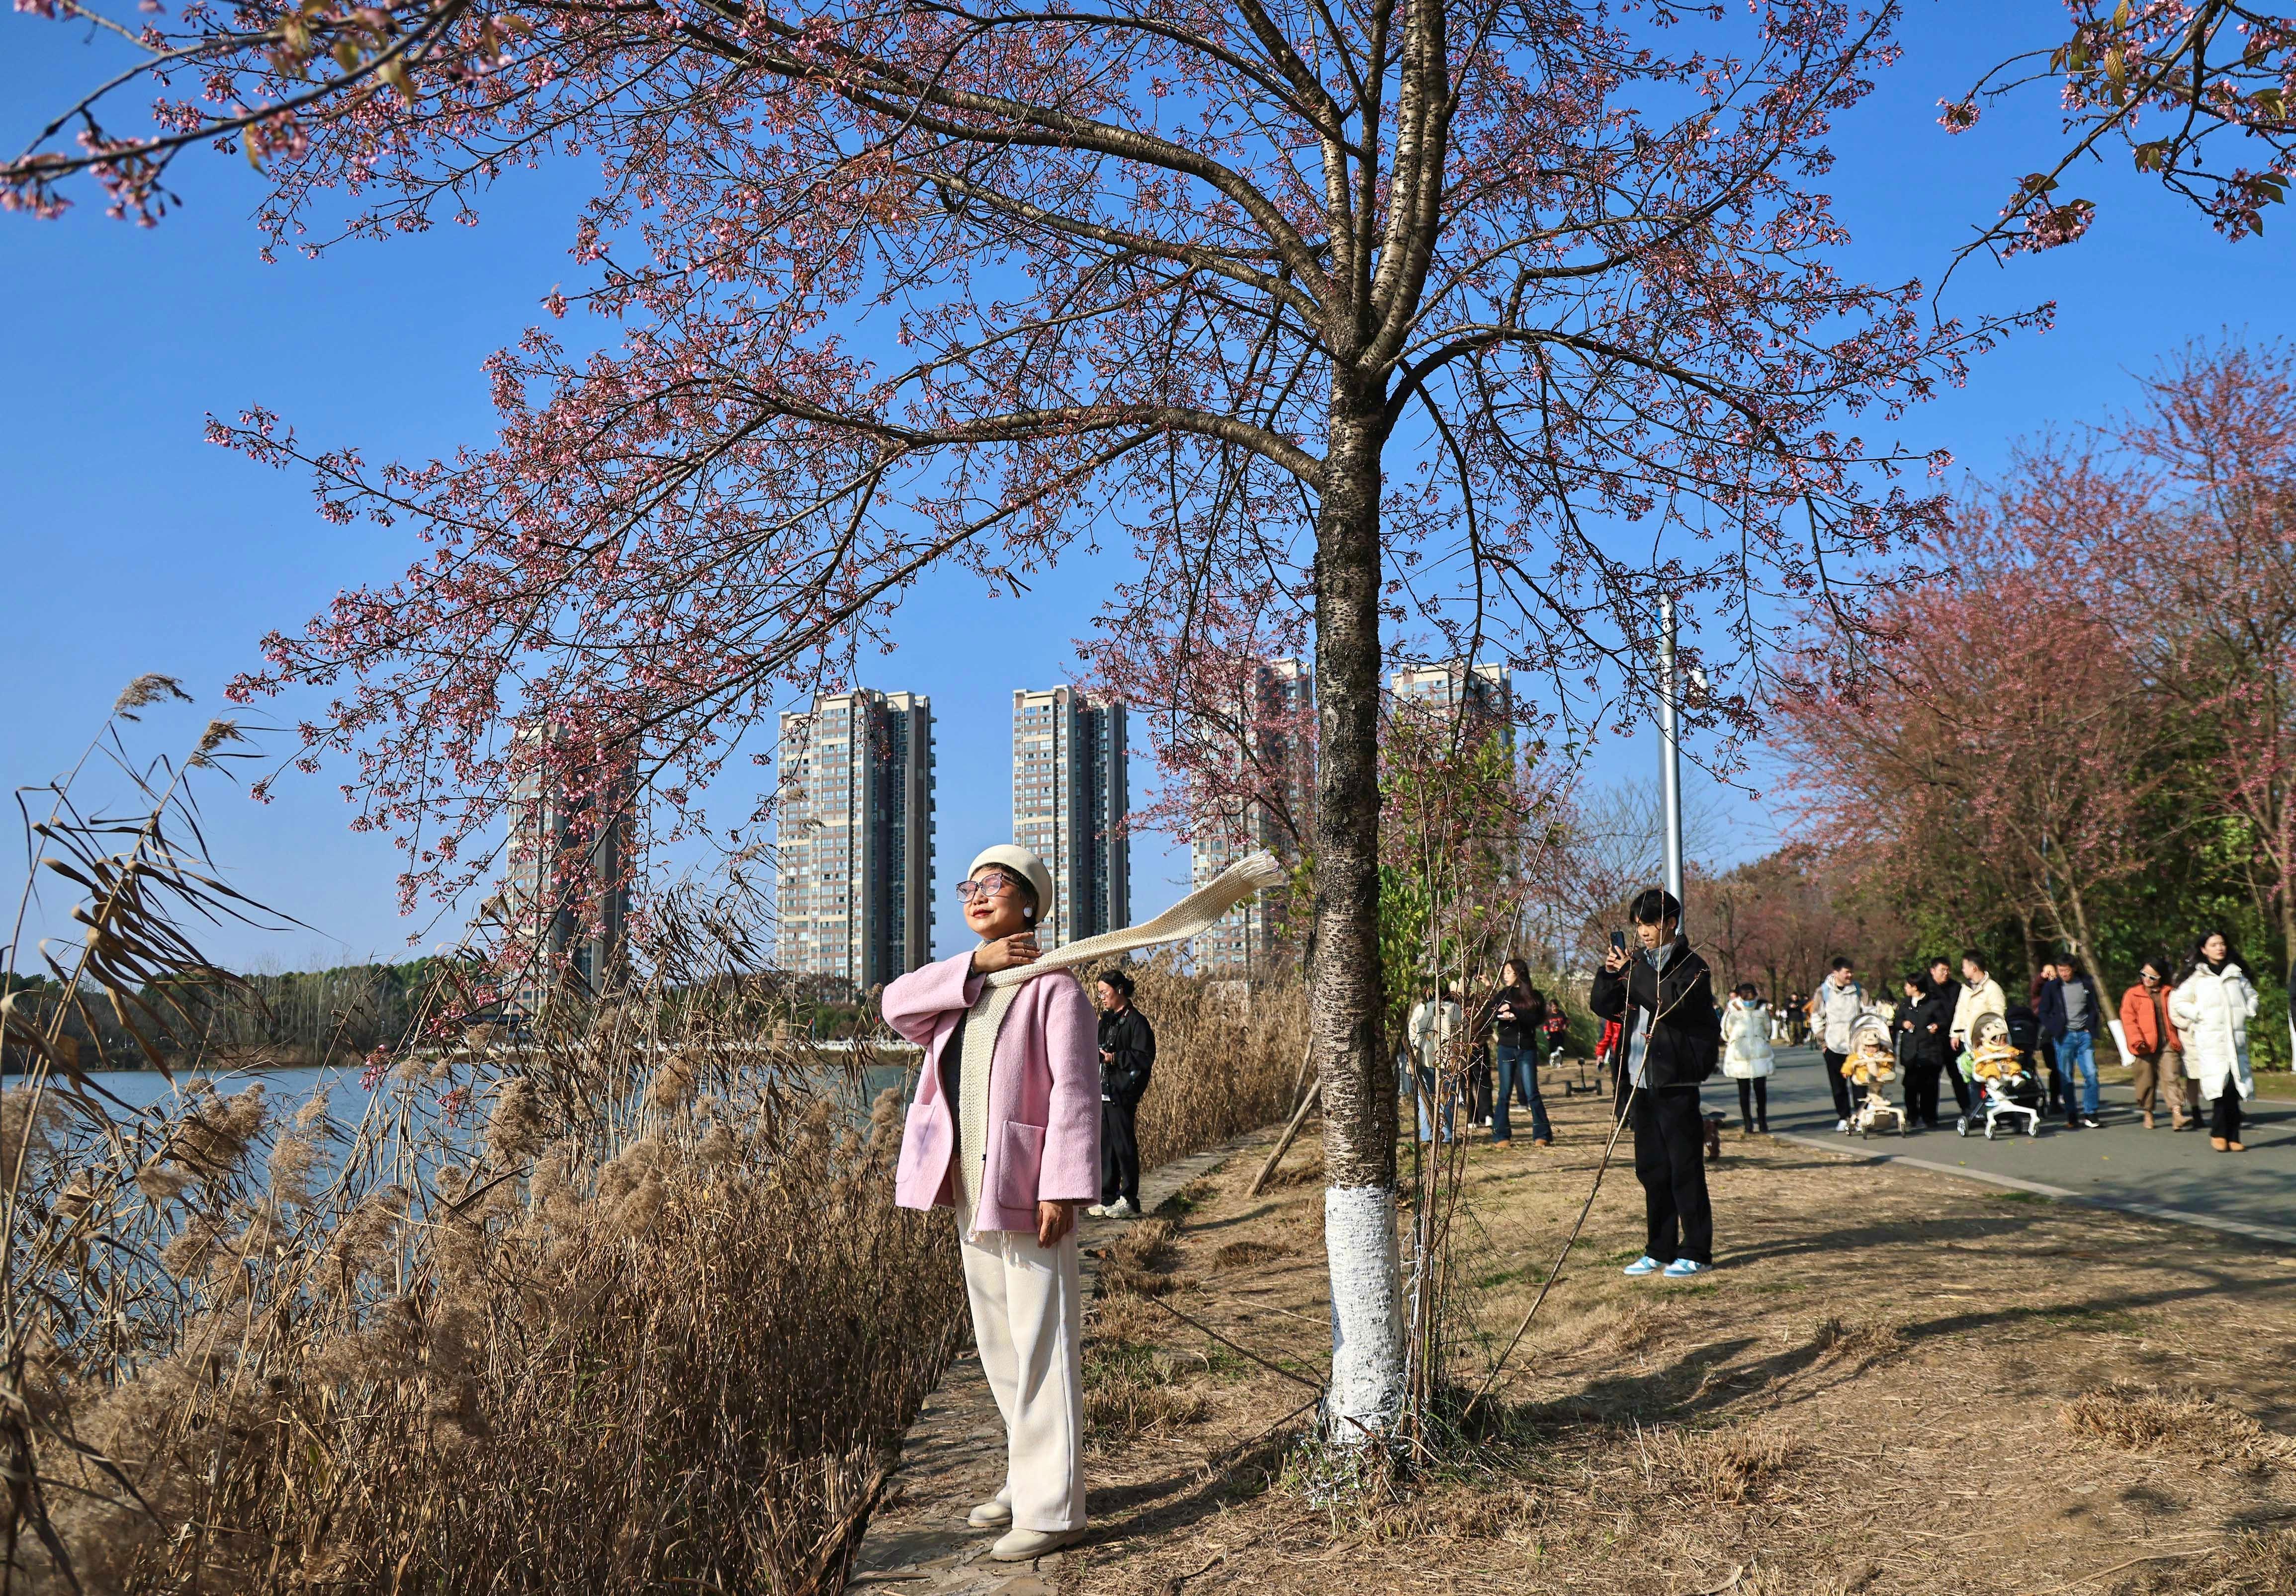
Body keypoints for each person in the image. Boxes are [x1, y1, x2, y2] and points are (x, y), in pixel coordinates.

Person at [883, 846, 1097, 1561]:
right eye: (968, 885)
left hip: (1030, 1188)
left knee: (1042, 1346)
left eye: (994, 884)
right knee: (1000, 1348)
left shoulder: (1055, 987)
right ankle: (1026, 1477)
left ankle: (1054, 1510)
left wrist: (1062, 1184)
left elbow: (1075, 1091)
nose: (976, 894)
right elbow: (893, 1004)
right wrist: (976, 963)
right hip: (969, 1191)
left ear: (1029, 902)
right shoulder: (962, 989)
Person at [1590, 888, 1722, 1278]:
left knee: (1685, 1168)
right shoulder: (1638, 963)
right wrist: (1610, 973)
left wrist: (1634, 972)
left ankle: (1696, 1250)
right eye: (1639, 925)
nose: (1644, 931)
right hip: (1640, 1081)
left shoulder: (1692, 966)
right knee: (1652, 1168)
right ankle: (1659, 1248)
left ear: (1671, 922)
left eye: (1650, 923)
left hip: (1675, 1080)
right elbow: (1603, 1005)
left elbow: (1668, 1003)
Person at [2170, 929, 2258, 1153]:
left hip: (2235, 1042)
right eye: (2214, 945)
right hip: (2212, 1041)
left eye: (2222, 944)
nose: (2220, 948)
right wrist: (2198, 1015)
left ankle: (2233, 1136)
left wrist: (2248, 1011)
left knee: (2235, 1090)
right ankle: (2219, 1134)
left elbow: (2252, 996)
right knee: (2221, 1089)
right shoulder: (2198, 977)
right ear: (2204, 949)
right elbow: (2179, 1001)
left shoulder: (2235, 974)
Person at [1088, 967, 1154, 1218]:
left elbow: (1145, 1057)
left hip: (1123, 1092)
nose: (1102, 998)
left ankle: (1129, 1199)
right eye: (1099, 994)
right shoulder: (1106, 1020)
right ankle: (1108, 1197)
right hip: (1104, 1090)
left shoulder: (1137, 1022)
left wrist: (1115, 1058)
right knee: (1106, 1147)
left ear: (1120, 990)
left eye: (1105, 993)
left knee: (1124, 1146)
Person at [2119, 956, 2193, 1131]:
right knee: (2146, 1080)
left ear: (2162, 977)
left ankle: (2177, 1114)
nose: (2147, 979)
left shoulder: (2170, 993)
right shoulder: (2133, 994)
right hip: (2143, 1045)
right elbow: (2128, 1020)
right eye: (2144, 974)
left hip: (2168, 1043)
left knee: (2171, 1077)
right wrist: (2136, 1040)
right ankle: (2148, 1113)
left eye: (2153, 977)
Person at [1488, 958, 1552, 1147]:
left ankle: (1542, 1135)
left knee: (1532, 1092)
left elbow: (1535, 1018)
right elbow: (1489, 1014)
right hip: (1506, 1048)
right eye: (1505, 972)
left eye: (1509, 972)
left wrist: (1515, 1011)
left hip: (1527, 1048)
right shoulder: (1503, 994)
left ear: (1519, 974)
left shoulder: (1534, 996)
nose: (1505, 976)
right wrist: (1501, 1013)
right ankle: (1501, 1136)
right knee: (1504, 1093)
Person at [2038, 956, 2106, 1129]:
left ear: (2074, 968)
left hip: (2084, 1035)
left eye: (2066, 970)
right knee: (2066, 1077)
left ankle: (2091, 1113)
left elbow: (2093, 1007)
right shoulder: (2052, 987)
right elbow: (2043, 1011)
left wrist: (2090, 1027)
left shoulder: (2086, 983)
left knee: (2091, 1074)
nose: (2063, 974)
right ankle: (2071, 1114)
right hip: (2064, 1036)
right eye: (2060, 970)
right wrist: (2055, 1029)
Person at [1896, 970, 1954, 1130]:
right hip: (1911, 1052)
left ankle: (1930, 1117)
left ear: (1915, 987)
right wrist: (1903, 1024)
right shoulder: (1905, 1004)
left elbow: (1945, 1021)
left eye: (1908, 985)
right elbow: (1897, 1021)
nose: (1905, 988)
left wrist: (1937, 1026)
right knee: (1910, 1086)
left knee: (1930, 1087)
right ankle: (1912, 1116)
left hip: (1930, 1051)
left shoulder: (1934, 1003)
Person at [1812, 957, 1865, 1133]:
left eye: (1852, 972)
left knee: (1860, 1083)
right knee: (1838, 1086)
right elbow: (1816, 1017)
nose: (1850, 975)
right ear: (1836, 973)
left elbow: (1870, 1013)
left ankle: (1861, 1117)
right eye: (1846, 972)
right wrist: (1823, 1042)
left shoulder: (1859, 990)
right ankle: (1844, 1117)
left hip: (1856, 1046)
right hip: (1834, 1046)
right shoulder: (1823, 992)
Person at [1408, 983, 1466, 1143]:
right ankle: (1447, 1134)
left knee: (1425, 1098)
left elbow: (1412, 1033)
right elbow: (1466, 1033)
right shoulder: (1454, 1009)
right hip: (1449, 1060)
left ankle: (1427, 1134)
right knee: (1447, 1098)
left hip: (1424, 1059)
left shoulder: (1421, 1008)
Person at [1720, 982, 1774, 1134]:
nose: (1749, 1002)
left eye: (1752, 998)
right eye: (1746, 998)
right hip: (1740, 1054)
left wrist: (1762, 1041)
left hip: (1759, 1053)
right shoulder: (1733, 1009)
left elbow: (1768, 1029)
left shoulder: (1762, 1009)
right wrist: (1735, 1041)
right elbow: (1726, 1030)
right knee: (1743, 1091)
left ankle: (1762, 1121)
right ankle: (1748, 1123)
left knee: (1760, 1090)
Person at [1927, 955, 1974, 1117]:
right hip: (1934, 1040)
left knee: (1959, 1075)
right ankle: (1930, 1115)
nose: (1946, 973)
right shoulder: (1926, 988)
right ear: (1933, 971)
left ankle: (1967, 1108)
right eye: (1942, 970)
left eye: (1948, 970)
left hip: (1954, 1038)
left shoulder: (1957, 987)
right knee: (1932, 1079)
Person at [1950, 950, 2007, 1063]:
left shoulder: (1993, 988)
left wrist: (1988, 1036)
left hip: (1986, 1043)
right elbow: (1960, 1012)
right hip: (1966, 1041)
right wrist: (1955, 1034)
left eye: (1964, 967)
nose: (1963, 970)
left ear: (1974, 968)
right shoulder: (1965, 989)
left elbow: (1998, 1016)